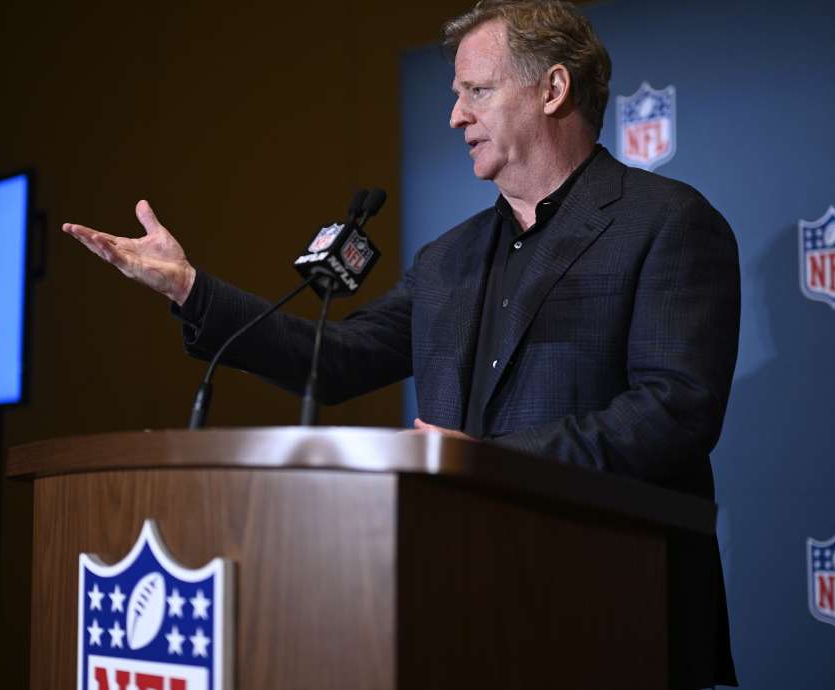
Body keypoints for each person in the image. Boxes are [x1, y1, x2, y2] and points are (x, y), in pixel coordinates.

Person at [63, 1, 740, 687]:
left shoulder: (666, 223)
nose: (455, 116)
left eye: (476, 91)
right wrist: (189, 288)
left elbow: (675, 412)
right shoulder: (448, 259)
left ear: (553, 89)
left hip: (614, 614)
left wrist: (494, 465)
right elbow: (334, 362)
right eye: (455, 96)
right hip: (462, 612)